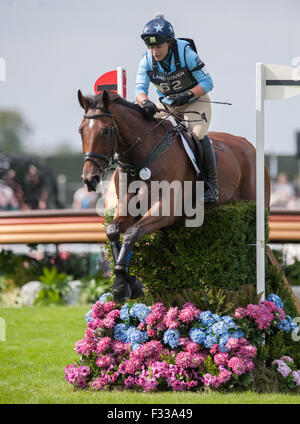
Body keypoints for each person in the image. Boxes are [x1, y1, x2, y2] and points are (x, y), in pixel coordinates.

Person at [135, 14, 218, 203]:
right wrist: (145, 102)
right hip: (166, 104)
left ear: (170, 43)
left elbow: (207, 82)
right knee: (144, 134)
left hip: (195, 101)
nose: (154, 51)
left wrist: (187, 95)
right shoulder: (146, 60)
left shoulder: (186, 53)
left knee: (196, 134)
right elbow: (139, 90)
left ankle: (211, 186)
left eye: (158, 46)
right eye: (150, 46)